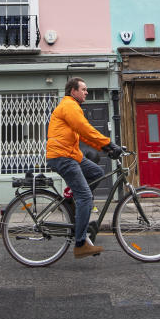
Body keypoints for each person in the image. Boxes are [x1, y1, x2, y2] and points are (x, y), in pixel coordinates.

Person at [46, 77, 124, 259]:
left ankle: (74, 202)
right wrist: (109, 143)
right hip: (63, 157)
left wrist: (105, 147)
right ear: (73, 91)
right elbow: (85, 128)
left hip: (71, 155)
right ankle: (80, 243)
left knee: (96, 172)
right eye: (83, 89)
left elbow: (84, 135)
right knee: (86, 196)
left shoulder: (71, 106)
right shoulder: (69, 106)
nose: (86, 92)